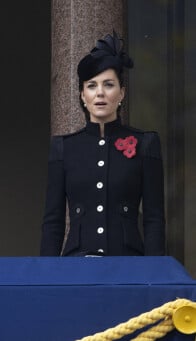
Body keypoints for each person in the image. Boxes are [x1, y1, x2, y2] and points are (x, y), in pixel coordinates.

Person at [40, 32, 165, 256]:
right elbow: (53, 223)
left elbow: (154, 219)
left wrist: (153, 275)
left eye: (108, 84)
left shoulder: (145, 143)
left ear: (122, 93)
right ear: (82, 95)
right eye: (91, 85)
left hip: (129, 265)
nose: (100, 93)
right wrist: (46, 278)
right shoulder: (63, 147)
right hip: (76, 267)